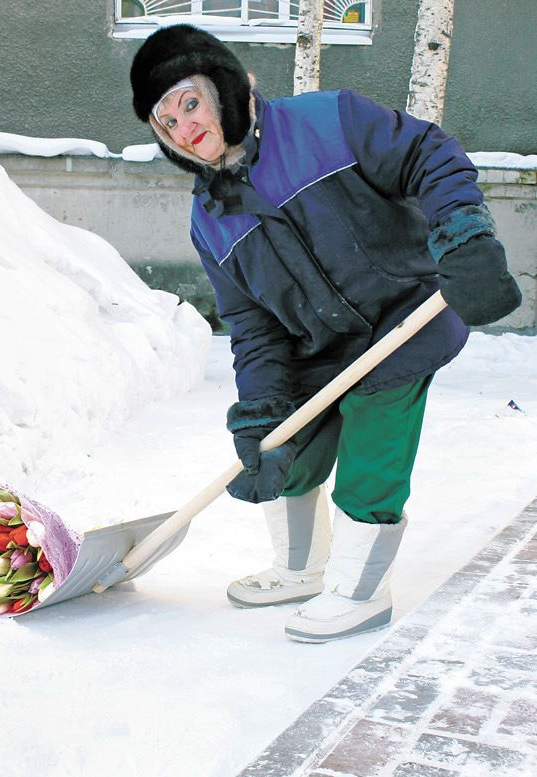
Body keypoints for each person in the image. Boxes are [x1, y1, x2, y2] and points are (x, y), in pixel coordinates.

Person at [129, 25, 522, 643]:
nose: (183, 127)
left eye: (189, 102)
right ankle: (300, 568)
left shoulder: (326, 120)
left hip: (405, 316)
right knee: (288, 444)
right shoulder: (209, 220)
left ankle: (359, 592)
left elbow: (428, 153)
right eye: (165, 120)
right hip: (319, 344)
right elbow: (254, 328)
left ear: (223, 90)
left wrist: (464, 235)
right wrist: (261, 412)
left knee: (373, 440)